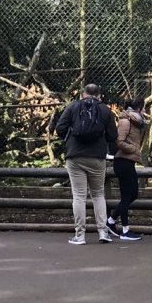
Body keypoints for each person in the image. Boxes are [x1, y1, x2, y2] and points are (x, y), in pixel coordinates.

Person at [54, 83, 118, 245]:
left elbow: (60, 128)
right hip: (97, 156)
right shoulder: (105, 110)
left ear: (83, 94)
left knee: (79, 196)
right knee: (98, 194)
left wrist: (71, 137)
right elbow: (113, 135)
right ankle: (103, 232)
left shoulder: (73, 107)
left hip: (75, 155)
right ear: (99, 95)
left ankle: (80, 235)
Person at [107, 97, 146, 241]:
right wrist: (134, 149)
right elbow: (119, 141)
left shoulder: (135, 122)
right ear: (138, 109)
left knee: (133, 194)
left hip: (129, 162)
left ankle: (111, 221)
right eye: (144, 108)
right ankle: (125, 230)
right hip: (122, 161)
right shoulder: (125, 121)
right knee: (126, 196)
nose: (145, 111)